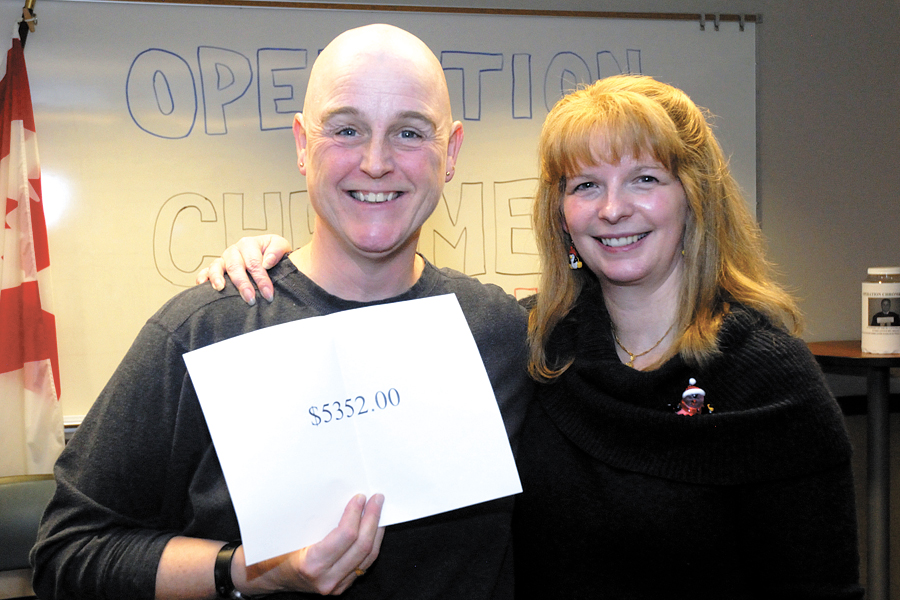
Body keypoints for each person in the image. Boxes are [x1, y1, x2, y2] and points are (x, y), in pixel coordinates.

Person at [216, 75, 862, 599]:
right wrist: (275, 261)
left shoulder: (770, 380)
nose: (612, 209)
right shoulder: (531, 347)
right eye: (586, 185)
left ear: (695, 198)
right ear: (561, 214)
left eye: (644, 178)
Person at [31, 24, 530, 600]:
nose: (375, 162)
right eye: (346, 129)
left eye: (410, 133)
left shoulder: (501, 333)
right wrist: (252, 569)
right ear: (301, 144)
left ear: (452, 152)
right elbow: (67, 553)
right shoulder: (205, 331)